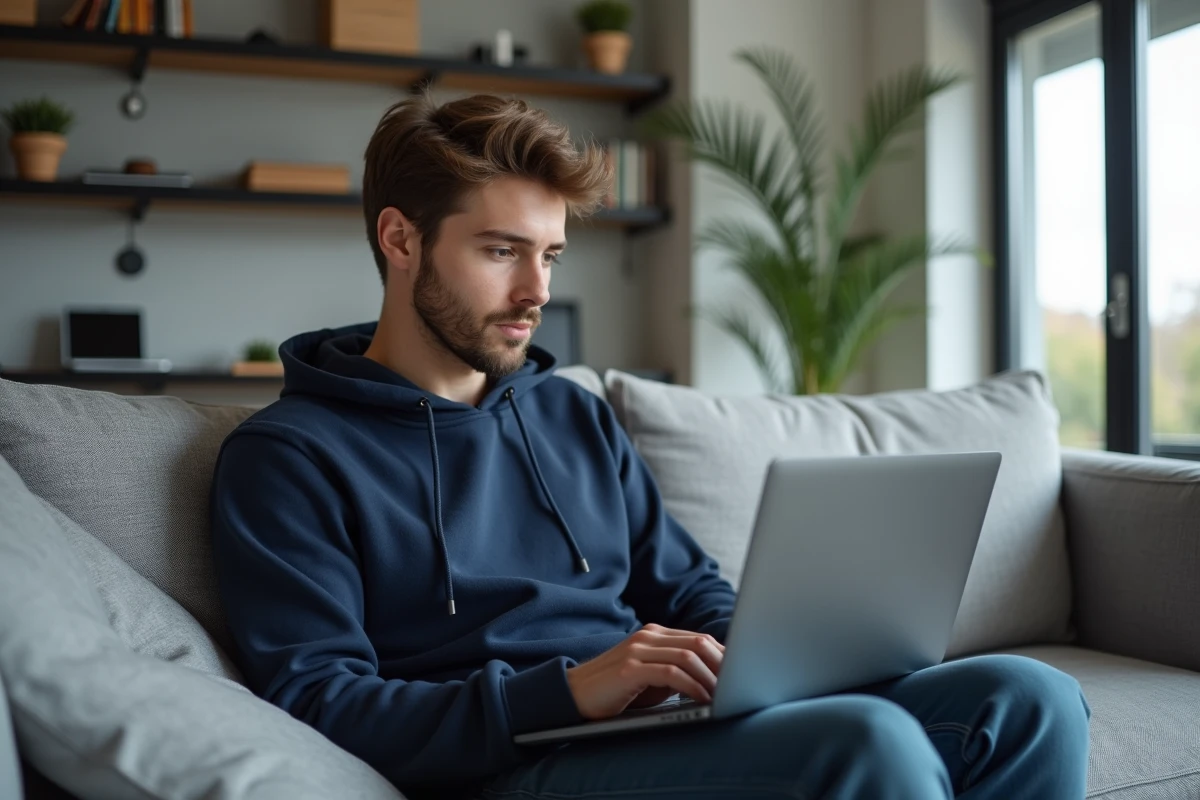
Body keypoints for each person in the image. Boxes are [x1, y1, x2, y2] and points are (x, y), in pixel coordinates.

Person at [209, 93, 1091, 800]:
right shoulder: (288, 457)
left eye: (550, 255)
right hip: (511, 764)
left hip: (653, 727)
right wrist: (566, 691)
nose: (534, 291)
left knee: (1030, 700)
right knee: (867, 744)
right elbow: (320, 701)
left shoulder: (570, 415)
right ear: (400, 239)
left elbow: (686, 584)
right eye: (501, 251)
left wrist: (756, 655)